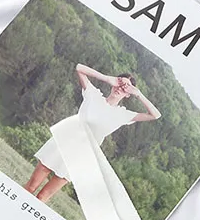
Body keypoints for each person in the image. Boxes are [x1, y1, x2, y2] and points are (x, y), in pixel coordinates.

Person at [25, 63, 161, 204]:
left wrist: (138, 93)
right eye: (120, 83)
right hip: (63, 142)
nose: (120, 88)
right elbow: (79, 68)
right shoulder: (94, 95)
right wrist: (107, 78)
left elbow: (155, 115)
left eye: (125, 88)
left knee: (42, 197)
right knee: (31, 186)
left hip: (81, 155)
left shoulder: (123, 115)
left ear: (128, 94)